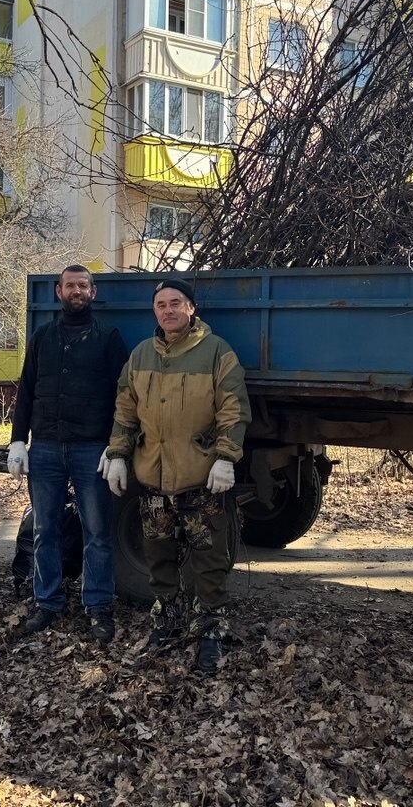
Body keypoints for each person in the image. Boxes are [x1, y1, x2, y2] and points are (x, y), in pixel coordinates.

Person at [100, 278, 251, 674]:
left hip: (200, 478)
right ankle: (165, 622)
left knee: (209, 560)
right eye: (161, 304)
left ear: (191, 309)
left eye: (176, 303)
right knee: (158, 556)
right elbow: (125, 411)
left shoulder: (217, 353)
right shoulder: (140, 356)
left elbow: (233, 409)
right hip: (153, 479)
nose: (168, 310)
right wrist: (117, 453)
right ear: (155, 311)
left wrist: (225, 458)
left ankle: (210, 633)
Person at [8, 265, 129, 643]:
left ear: (93, 293)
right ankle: (47, 603)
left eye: (83, 285)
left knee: (97, 533)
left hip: (92, 449)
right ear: (58, 292)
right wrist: (17, 441)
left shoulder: (108, 338)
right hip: (44, 448)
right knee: (46, 531)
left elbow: (124, 397)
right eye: (70, 285)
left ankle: (98, 607)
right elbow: (26, 390)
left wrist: (116, 447)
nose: (76, 290)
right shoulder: (42, 337)